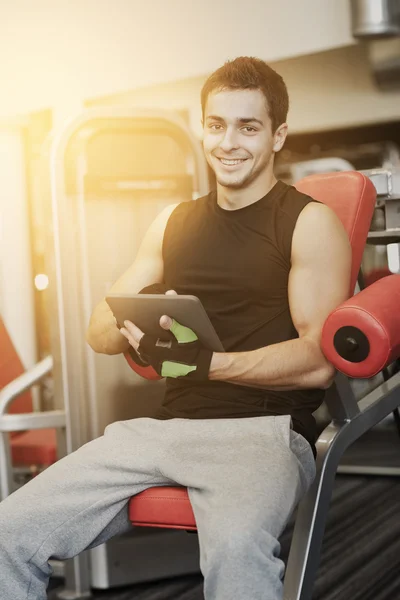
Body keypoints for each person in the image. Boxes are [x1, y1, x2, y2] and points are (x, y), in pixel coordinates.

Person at [0, 56, 351, 600]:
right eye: (216, 125)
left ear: (279, 135)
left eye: (248, 126)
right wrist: (140, 330)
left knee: (236, 550)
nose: (227, 142)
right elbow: (99, 329)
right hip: (163, 431)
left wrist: (209, 363)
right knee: (8, 529)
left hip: (262, 434)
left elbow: (317, 361)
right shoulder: (172, 222)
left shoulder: (308, 222)